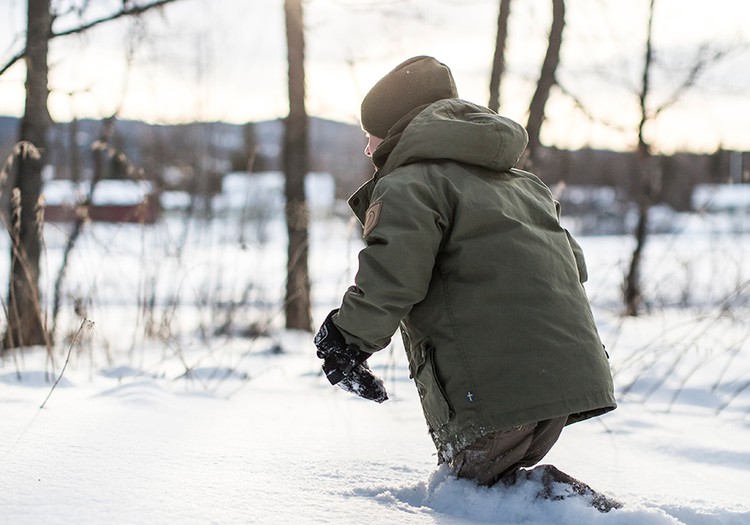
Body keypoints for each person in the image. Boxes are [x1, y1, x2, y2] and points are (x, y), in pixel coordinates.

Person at [313, 56, 619, 510]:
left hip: (495, 389)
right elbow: (571, 266)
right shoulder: (523, 184)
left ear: (396, 129)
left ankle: (605, 519)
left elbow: (393, 274)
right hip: (562, 380)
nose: (367, 148)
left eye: (369, 134)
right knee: (498, 492)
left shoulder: (410, 183)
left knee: (471, 497)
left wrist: (345, 338)